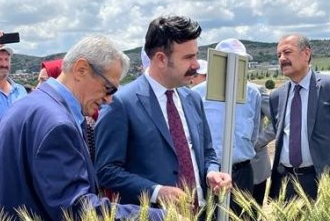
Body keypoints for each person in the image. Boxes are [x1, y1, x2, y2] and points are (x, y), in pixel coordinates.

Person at [0, 36, 160, 221]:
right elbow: (74, 209)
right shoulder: (57, 124)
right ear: (81, 69)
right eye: (109, 88)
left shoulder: (32, 104)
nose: (109, 100)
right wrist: (158, 220)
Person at [95, 15, 232, 209]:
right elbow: (106, 170)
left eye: (195, 55)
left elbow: (208, 152)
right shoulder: (121, 104)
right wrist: (157, 192)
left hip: (201, 219)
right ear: (161, 59)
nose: (196, 65)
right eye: (188, 57)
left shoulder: (192, 99)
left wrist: (211, 172)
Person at [269, 34, 330, 201]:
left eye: (287, 52)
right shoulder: (276, 96)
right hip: (287, 183)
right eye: (279, 55)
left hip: (324, 181)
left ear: (306, 54)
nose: (282, 58)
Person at [192, 39, 262, 213]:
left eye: (241, 62)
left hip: (242, 173)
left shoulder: (253, 94)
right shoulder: (196, 95)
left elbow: (254, 133)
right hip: (210, 175)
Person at [251, 86, 275, 205]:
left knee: (253, 213)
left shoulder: (257, 91)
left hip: (255, 166)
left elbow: (278, 119)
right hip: (223, 169)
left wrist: (257, 142)